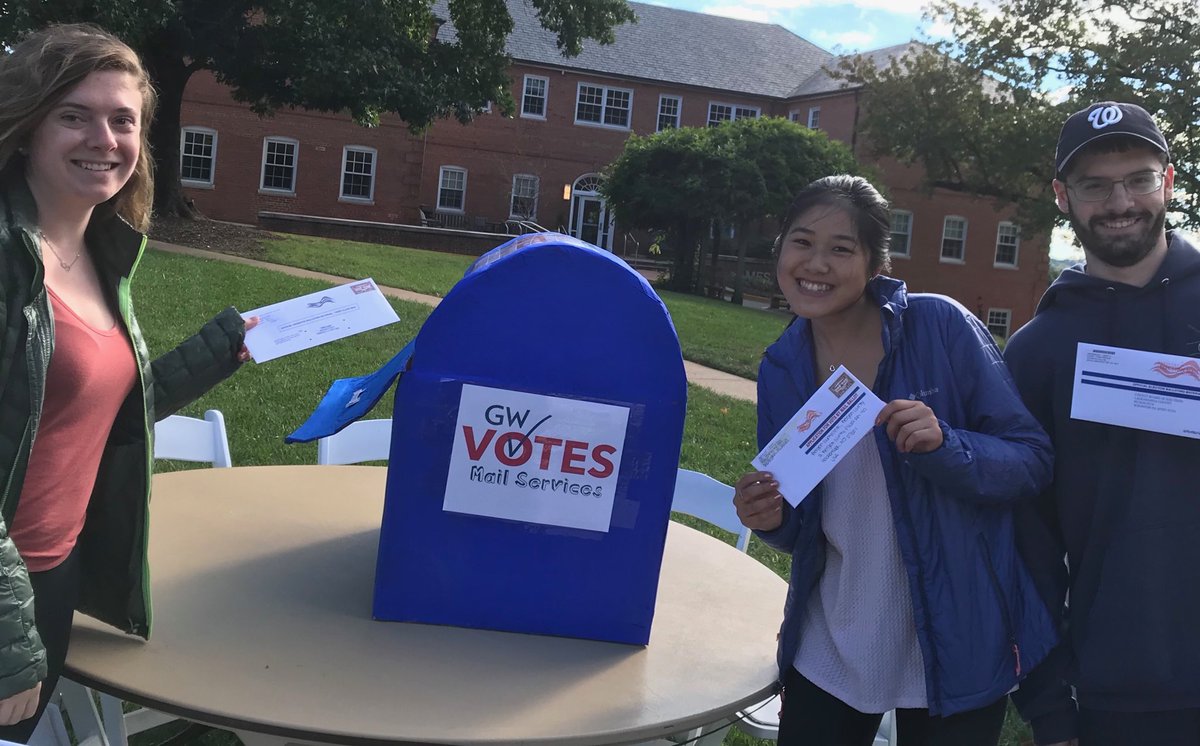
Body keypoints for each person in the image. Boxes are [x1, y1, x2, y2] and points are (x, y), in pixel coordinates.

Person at [733, 175, 1057, 746]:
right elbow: (801, 528)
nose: (817, 263)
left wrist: (946, 445)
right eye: (802, 241)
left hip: (955, 639)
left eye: (841, 248)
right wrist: (770, 516)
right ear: (780, 248)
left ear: (876, 263)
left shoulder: (940, 327)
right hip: (832, 639)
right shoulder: (783, 366)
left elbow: (1031, 460)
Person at [0, 23, 256, 740]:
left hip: (49, 576)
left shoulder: (96, 251)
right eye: (73, 115)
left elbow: (87, 408)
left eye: (123, 120)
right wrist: (6, 638)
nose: (103, 139)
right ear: (27, 127)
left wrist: (213, 354)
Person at [1006, 102, 1200, 746]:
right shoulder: (1037, 353)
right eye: (1095, 185)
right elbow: (1024, 544)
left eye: (1138, 179)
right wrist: (1050, 709)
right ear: (1063, 197)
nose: (1120, 201)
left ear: (1169, 182)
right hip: (1119, 688)